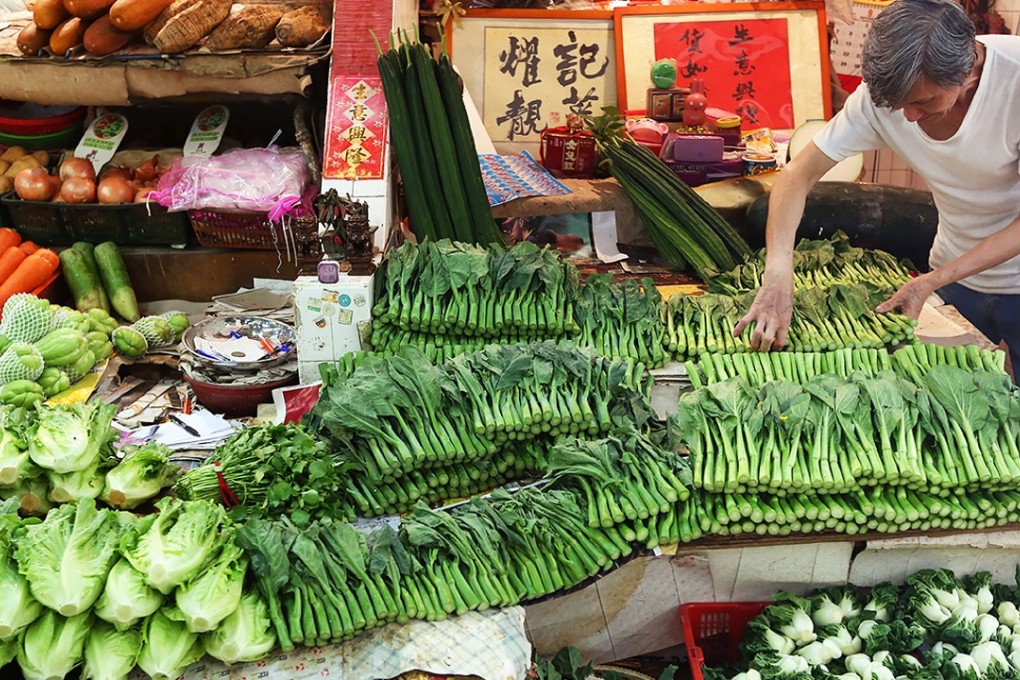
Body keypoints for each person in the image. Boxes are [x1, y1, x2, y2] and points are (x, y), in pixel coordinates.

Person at [734, 0, 1020, 376]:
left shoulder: (1013, 81)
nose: (910, 117)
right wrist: (777, 274)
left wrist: (934, 280)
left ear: (967, 70)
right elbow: (796, 175)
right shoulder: (879, 98)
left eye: (923, 102)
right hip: (952, 271)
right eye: (898, 105)